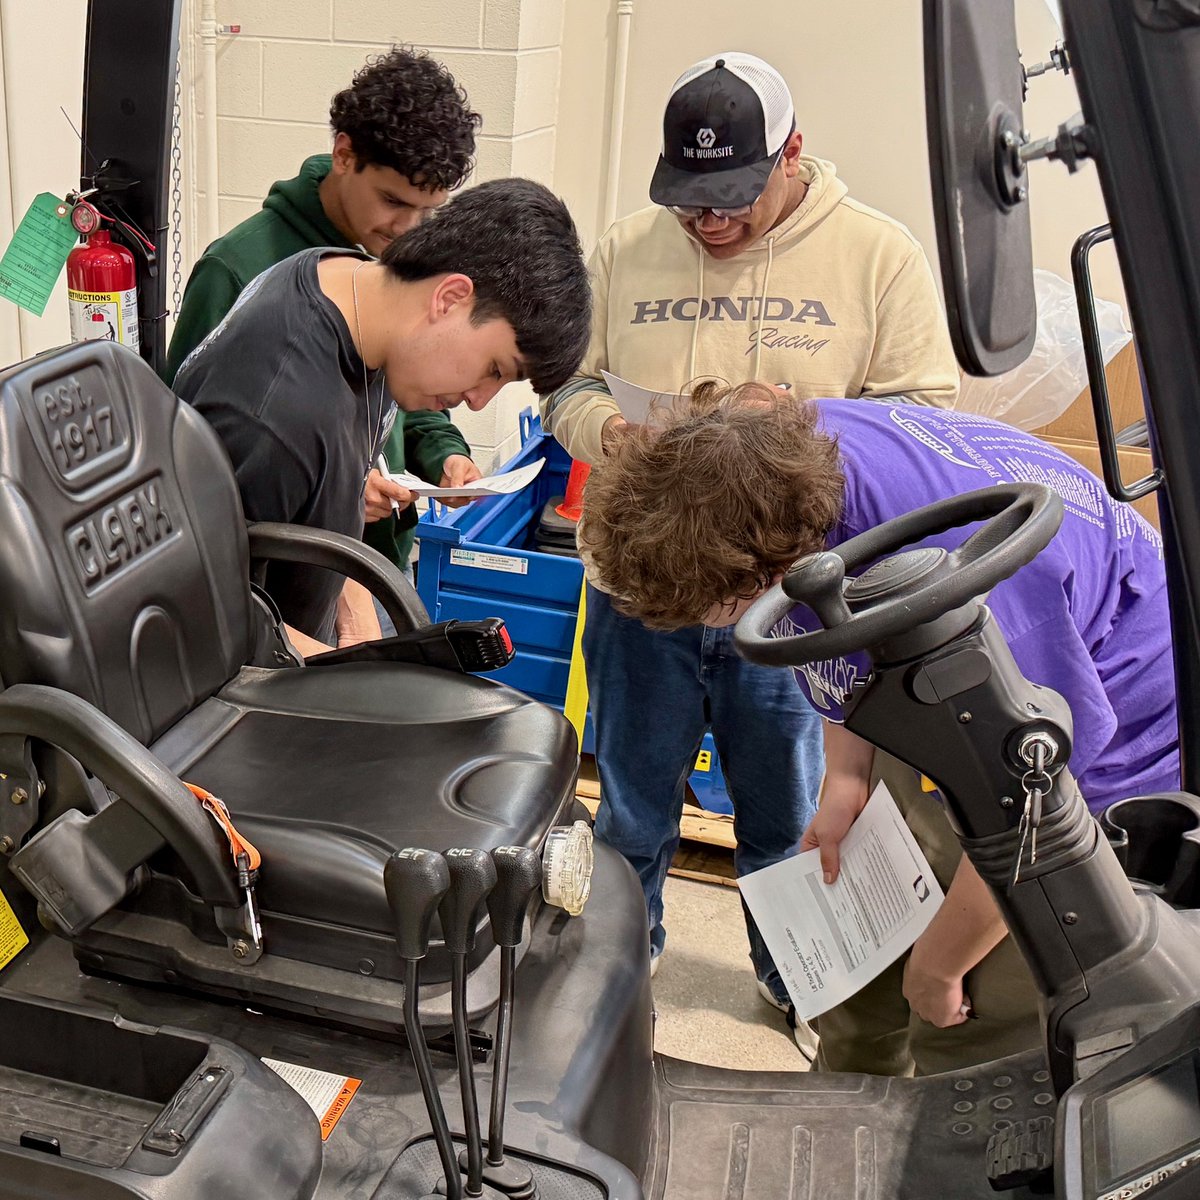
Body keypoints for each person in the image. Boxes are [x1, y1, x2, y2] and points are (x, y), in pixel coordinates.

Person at [539, 50, 959, 1054]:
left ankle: (790, 982)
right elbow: (564, 387)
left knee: (784, 819)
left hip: (792, 603)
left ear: (792, 154)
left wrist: (801, 424)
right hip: (641, 588)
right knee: (632, 809)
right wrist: (615, 435)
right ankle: (618, 972)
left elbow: (928, 417)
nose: (707, 223)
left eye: (729, 199)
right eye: (689, 201)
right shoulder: (626, 250)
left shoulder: (877, 255)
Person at [580, 379, 1180, 1076]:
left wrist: (943, 961)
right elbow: (846, 637)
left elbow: (1031, 811)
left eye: (707, 613)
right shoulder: (779, 463)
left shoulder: (983, 597)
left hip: (1095, 731)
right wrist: (846, 777)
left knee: (971, 1016)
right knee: (860, 970)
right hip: (959, 680)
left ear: (775, 569)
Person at [175, 178, 591, 658]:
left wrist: (354, 613)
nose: (478, 401)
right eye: (494, 369)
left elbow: (341, 476)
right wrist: (361, 676)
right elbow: (201, 619)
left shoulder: (345, 283)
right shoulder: (277, 415)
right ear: (451, 297)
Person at [166, 48, 485, 594]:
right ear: (343, 153)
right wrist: (335, 491)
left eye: (427, 213)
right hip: (280, 597)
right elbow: (184, 452)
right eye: (392, 200)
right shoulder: (237, 270)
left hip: (379, 568)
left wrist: (446, 454)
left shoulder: (396, 252)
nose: (409, 229)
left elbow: (411, 385)